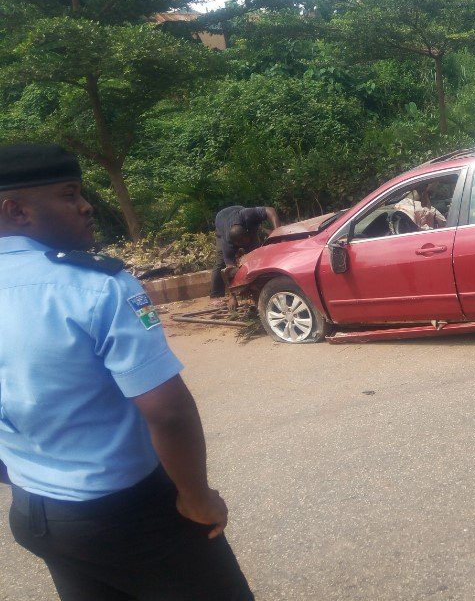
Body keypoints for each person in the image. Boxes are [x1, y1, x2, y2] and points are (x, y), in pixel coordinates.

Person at [0, 144, 254, 601]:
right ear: (15, 210)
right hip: (126, 515)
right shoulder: (95, 286)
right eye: (68, 194)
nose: (86, 206)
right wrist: (196, 498)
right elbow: (168, 413)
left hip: (36, 514)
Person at [210, 205, 280, 298]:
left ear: (246, 233)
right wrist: (233, 297)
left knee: (256, 255)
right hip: (221, 221)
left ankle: (259, 286)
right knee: (220, 262)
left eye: (245, 241)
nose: (244, 245)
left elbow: (271, 210)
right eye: (240, 244)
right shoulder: (227, 243)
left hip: (239, 214)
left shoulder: (247, 215)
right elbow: (229, 271)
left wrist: (278, 233)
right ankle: (216, 295)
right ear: (234, 244)